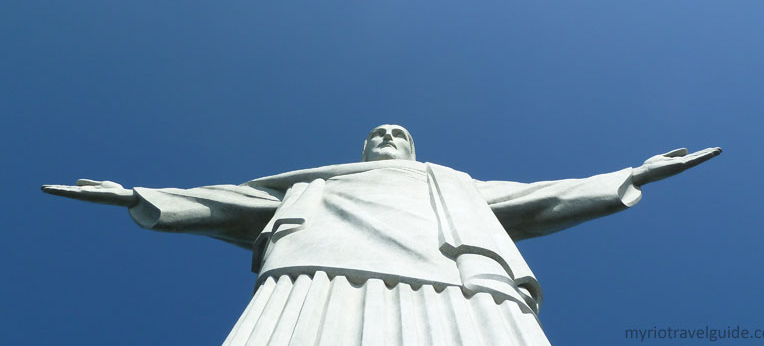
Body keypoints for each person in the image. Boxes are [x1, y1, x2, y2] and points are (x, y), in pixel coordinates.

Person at [43, 124, 720, 346]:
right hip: (317, 272)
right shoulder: (313, 183)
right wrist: (138, 196)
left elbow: (542, 198)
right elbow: (229, 202)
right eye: (378, 133)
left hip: (461, 277)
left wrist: (632, 174)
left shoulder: (453, 183)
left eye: (398, 131)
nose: (388, 136)